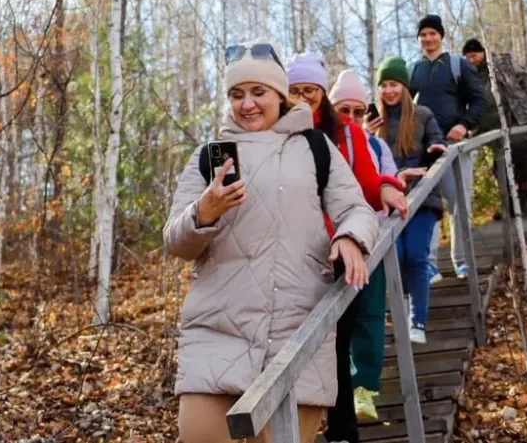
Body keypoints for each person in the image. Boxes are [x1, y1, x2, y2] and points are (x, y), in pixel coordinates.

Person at [165, 41, 380, 443]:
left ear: (280, 95)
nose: (247, 104)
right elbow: (175, 242)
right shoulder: (208, 156)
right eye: (236, 94)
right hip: (217, 332)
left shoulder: (317, 148)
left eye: (258, 92)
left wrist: (351, 238)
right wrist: (204, 212)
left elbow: (357, 208)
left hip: (297, 336)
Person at [286, 53, 407, 443]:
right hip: (292, 256)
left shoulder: (348, 135)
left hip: (339, 252)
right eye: (295, 91)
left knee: (336, 342)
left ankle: (341, 429)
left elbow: (367, 187)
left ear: (322, 93)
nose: (303, 98)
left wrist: (388, 184)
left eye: (311, 91)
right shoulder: (277, 133)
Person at [328, 68, 411, 423]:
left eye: (358, 111)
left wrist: (390, 186)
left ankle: (364, 388)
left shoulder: (375, 144)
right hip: (327, 248)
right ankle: (329, 401)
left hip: (371, 243)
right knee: (332, 325)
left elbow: (385, 175)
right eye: (343, 111)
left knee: (370, 315)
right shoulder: (319, 142)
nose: (350, 119)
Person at [407, 14, 486, 282]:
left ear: (441, 36)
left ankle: (461, 261)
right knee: (427, 207)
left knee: (458, 205)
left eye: (432, 33)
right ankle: (429, 264)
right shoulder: (413, 70)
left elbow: (479, 100)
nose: (428, 39)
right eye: (423, 35)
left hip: (455, 147)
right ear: (418, 39)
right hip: (426, 149)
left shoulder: (457, 65)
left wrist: (464, 124)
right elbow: (402, 106)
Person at [375, 56, 446, 344]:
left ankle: (418, 320)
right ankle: (402, 308)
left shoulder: (423, 115)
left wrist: (436, 148)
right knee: (397, 257)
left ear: (404, 87)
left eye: (394, 84)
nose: (389, 91)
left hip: (421, 199)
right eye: (383, 85)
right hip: (389, 203)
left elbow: (437, 142)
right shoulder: (374, 122)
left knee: (416, 255)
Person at [461, 38, 527, 216]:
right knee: (500, 164)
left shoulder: (502, 62)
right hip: (489, 127)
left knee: (520, 152)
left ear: (482, 52)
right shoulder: (467, 74)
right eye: (468, 57)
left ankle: (524, 199)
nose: (472, 60)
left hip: (515, 118)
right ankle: (509, 203)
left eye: (474, 56)